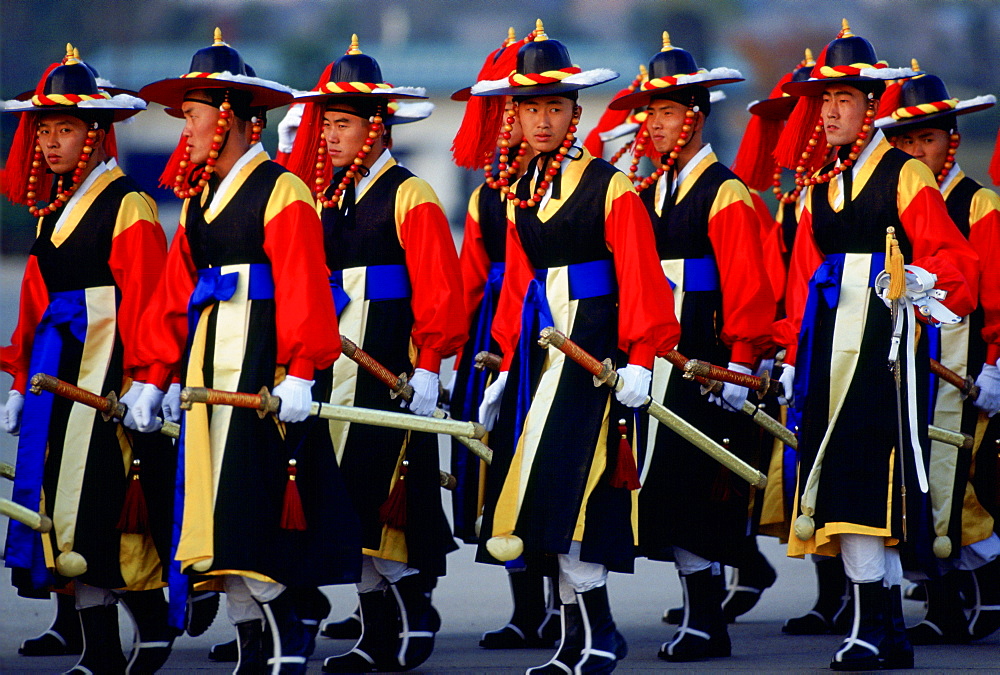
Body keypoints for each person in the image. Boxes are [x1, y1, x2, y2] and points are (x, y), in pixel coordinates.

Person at [130, 29, 359, 674]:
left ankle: (287, 634)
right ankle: (252, 643)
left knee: (250, 512)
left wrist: (303, 371)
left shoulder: (281, 190)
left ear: (228, 116)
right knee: (211, 514)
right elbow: (177, 292)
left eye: (195, 116)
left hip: (261, 371)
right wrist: (155, 374)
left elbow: (304, 288)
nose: (187, 129)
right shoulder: (200, 197)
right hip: (208, 371)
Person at [473, 20, 681, 674]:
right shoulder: (517, 190)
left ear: (574, 113)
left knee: (576, 491)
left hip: (595, 359)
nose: (540, 120)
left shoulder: (609, 186)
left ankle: (597, 636)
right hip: (542, 357)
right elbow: (517, 287)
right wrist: (506, 367)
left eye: (553, 108)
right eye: (529, 107)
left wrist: (645, 357)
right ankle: (580, 638)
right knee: (549, 498)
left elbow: (644, 278)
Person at [773, 20, 980, 670]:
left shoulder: (905, 174)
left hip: (883, 351)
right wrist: (788, 357)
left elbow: (954, 260)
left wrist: (921, 278)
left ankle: (874, 625)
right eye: (825, 98)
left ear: (871, 106)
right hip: (827, 346)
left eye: (846, 97)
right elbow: (802, 280)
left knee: (869, 479)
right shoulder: (820, 188)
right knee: (840, 481)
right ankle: (882, 625)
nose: (831, 110)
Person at [281, 34, 465, 673]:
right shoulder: (326, 196)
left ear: (377, 129)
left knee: (380, 497)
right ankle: (387, 627)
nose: (327, 135)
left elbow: (440, 291)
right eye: (323, 123)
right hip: (335, 370)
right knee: (346, 501)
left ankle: (400, 622)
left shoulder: (409, 194)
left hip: (391, 370)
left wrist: (432, 368)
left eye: (341, 124)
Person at [1, 45, 175, 674]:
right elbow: (36, 302)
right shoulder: (51, 209)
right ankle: (131, 635)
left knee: (95, 510)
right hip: (59, 373)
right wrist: (22, 381)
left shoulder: (128, 203)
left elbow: (150, 301)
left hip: (109, 378)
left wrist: (149, 381)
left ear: (97, 135)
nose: (49, 143)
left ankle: (122, 642)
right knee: (60, 505)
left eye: (65, 129)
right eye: (43, 130)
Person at [606, 31, 776, 661]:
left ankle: (708, 620)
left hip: (707, 362)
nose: (653, 125)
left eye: (668, 112)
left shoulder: (725, 191)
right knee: (670, 490)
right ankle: (700, 613)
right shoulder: (648, 192)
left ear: (697, 117)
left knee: (699, 490)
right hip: (663, 362)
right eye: (649, 113)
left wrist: (738, 364)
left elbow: (747, 287)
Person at [878, 66, 1000, 645]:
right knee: (918, 479)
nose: (916, 151)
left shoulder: (978, 203)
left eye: (927, 138)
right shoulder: (896, 198)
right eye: (904, 141)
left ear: (951, 138)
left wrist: (998, 364)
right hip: (914, 360)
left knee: (967, 483)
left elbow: (996, 292)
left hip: (968, 359)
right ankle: (942, 600)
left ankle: (981, 594)